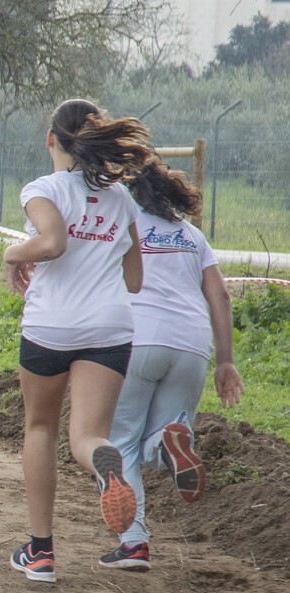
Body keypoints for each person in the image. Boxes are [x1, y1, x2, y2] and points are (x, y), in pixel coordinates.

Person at [1, 99, 155, 583]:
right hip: (110, 327)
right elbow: (134, 280)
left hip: (52, 325)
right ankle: (103, 464)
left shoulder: (42, 189)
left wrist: (11, 253)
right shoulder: (121, 198)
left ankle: (41, 552)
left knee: (40, 428)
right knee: (87, 437)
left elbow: (51, 243)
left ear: (51, 139)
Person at [103, 155, 241, 570]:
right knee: (153, 439)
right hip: (192, 345)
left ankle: (134, 543)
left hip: (137, 338)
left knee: (120, 440)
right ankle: (169, 446)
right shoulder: (192, 235)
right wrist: (225, 361)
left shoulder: (124, 228)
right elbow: (220, 296)